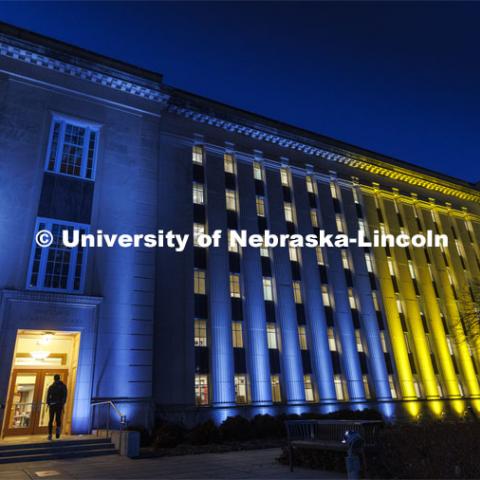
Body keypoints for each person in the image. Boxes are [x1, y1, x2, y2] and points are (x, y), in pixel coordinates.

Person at [46, 374, 67, 440]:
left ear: (54, 379)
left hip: (52, 405)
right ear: (59, 378)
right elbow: (65, 395)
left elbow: (48, 396)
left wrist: (49, 403)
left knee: (51, 419)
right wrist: (62, 403)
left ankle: (50, 434)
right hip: (59, 405)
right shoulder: (63, 386)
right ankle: (57, 433)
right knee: (58, 419)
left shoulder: (51, 386)